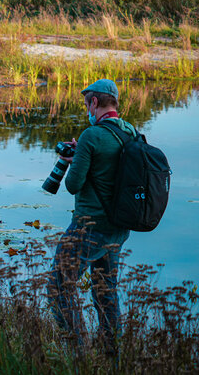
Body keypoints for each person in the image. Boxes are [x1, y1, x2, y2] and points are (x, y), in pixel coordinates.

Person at [46, 79, 135, 354]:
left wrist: (77, 156)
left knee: (58, 288)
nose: (87, 110)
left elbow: (73, 184)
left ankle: (79, 353)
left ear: (94, 102)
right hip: (118, 228)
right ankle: (112, 356)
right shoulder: (130, 132)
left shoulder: (91, 136)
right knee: (106, 292)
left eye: (87, 104)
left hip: (88, 226)